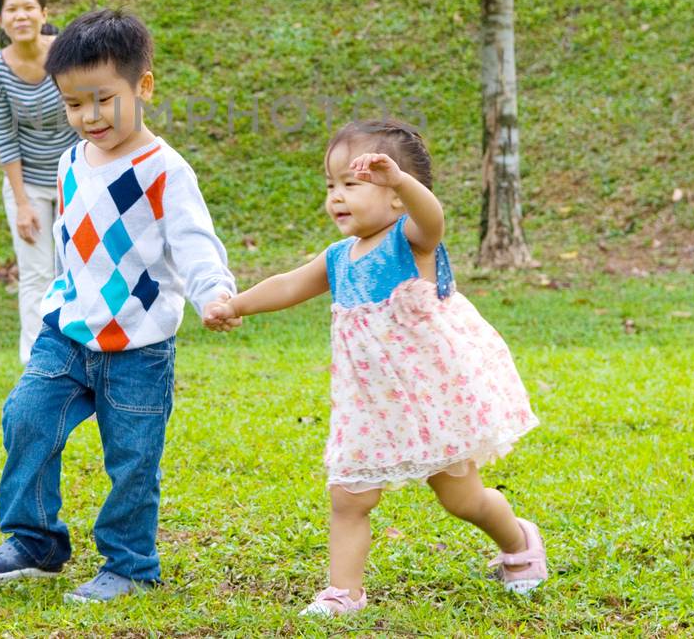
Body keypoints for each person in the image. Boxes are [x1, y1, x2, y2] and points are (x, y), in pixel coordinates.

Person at [203, 120, 546, 616]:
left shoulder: (410, 242)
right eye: (331, 185)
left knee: (462, 499)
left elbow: (434, 219)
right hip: (369, 405)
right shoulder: (339, 257)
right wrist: (236, 305)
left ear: (396, 197)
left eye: (353, 183)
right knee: (348, 497)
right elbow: (286, 284)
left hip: (429, 401)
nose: (337, 196)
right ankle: (344, 592)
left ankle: (518, 543)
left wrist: (403, 181)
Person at [0, 8, 235, 603]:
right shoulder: (67, 163)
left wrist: (215, 290)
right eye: (74, 105)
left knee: (133, 457)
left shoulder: (164, 169)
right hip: (67, 332)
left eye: (104, 100)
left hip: (139, 347)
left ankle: (131, 564)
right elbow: (73, 249)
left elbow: (194, 243)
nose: (89, 117)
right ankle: (35, 541)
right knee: (26, 417)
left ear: (144, 87)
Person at [0, 0, 72, 363]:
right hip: (28, 183)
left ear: (44, 14)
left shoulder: (69, 55)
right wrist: (21, 203)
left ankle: (82, 355)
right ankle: (38, 363)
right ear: (1, 20)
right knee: (36, 273)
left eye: (29, 8)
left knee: (75, 267)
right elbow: (5, 138)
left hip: (75, 176)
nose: (21, 16)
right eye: (12, 10)